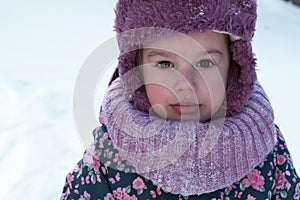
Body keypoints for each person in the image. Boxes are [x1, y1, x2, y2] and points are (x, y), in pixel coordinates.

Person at [60, 0, 300, 199]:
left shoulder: (264, 146)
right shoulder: (110, 159)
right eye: (165, 64)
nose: (186, 84)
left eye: (206, 63)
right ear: (137, 70)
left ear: (236, 68)